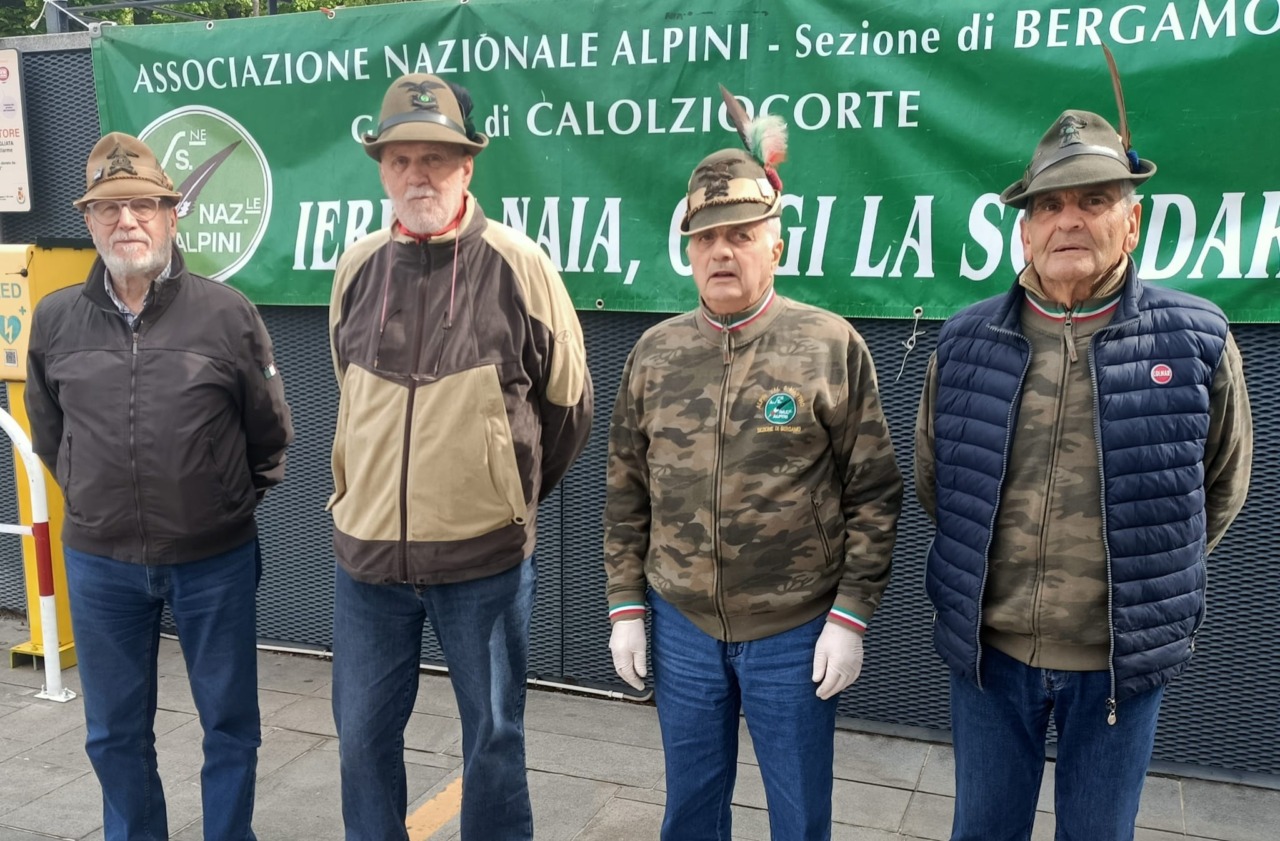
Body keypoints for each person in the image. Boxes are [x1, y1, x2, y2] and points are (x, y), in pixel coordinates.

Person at [916, 109, 1252, 840]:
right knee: (981, 831)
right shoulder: (968, 340)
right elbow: (939, 481)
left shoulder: (1197, 339)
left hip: (1117, 666)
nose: (1069, 219)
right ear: (1025, 230)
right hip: (990, 658)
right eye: (1049, 204)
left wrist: (1145, 580)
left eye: (1094, 199)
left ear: (1131, 224)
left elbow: (1217, 489)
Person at [603, 113, 903, 840]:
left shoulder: (830, 345)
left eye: (740, 233)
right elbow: (624, 492)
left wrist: (852, 613)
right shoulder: (655, 353)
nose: (722, 251)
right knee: (692, 809)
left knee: (799, 816)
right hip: (682, 624)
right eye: (706, 237)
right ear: (689, 250)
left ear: (777, 240)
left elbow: (874, 491)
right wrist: (624, 605)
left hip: (795, 627)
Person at [328, 74, 592, 841]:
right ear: (381, 168)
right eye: (402, 158)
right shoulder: (356, 267)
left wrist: (504, 494)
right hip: (368, 564)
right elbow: (351, 395)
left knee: (495, 739)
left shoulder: (519, 264)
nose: (419, 175)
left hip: (484, 564)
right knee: (361, 740)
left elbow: (567, 405)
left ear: (468, 167)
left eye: (437, 159)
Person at [25, 132, 294, 841]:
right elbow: (52, 433)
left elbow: (269, 433)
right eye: (109, 208)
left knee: (230, 724)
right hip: (101, 562)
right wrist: (92, 493)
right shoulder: (54, 319)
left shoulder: (227, 312)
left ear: (174, 214)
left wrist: (224, 502)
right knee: (113, 732)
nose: (128, 222)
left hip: (215, 560)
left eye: (144, 204)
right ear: (87, 220)